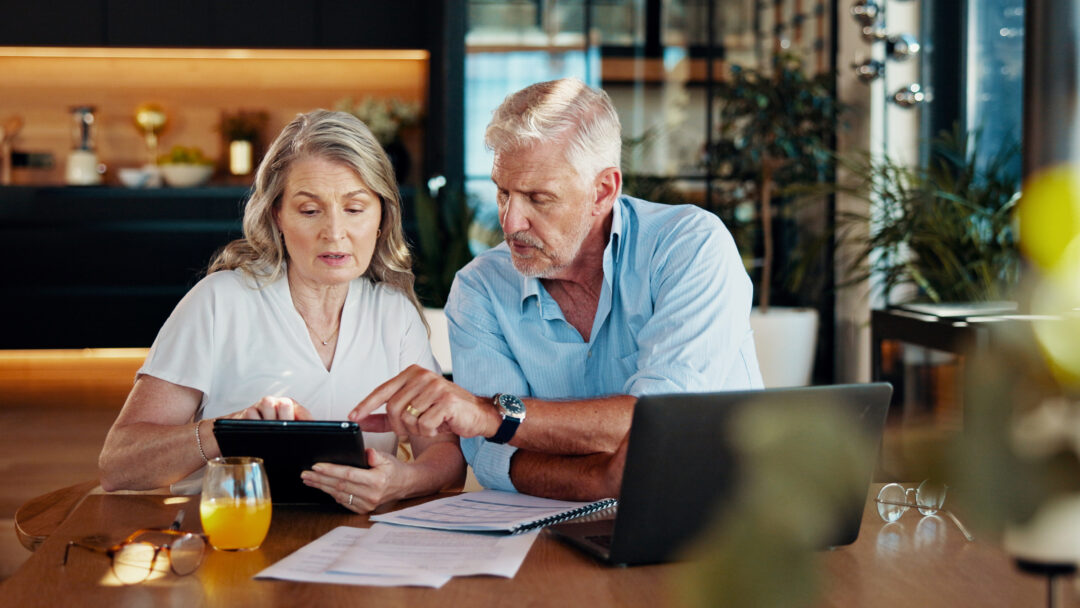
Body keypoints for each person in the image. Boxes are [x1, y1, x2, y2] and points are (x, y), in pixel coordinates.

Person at [349, 78, 762, 501]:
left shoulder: (688, 245)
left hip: (726, 523)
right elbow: (491, 457)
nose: (510, 223)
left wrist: (493, 413)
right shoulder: (480, 289)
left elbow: (663, 421)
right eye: (503, 192)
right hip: (558, 529)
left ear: (603, 191)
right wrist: (600, 481)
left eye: (538, 198)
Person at [98, 110, 464, 512]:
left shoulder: (394, 314)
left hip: (359, 545)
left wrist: (404, 480)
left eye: (355, 208)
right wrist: (230, 431)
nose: (335, 232)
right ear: (277, 216)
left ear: (382, 217)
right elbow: (119, 464)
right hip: (234, 542)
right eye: (310, 211)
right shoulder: (220, 301)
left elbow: (445, 454)